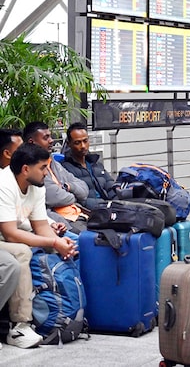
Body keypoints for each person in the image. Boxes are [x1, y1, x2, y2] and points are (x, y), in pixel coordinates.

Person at [0, 143, 77, 349]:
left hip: (8, 238)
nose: (47, 173)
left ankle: (71, 313)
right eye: (43, 168)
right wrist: (53, 241)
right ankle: (20, 326)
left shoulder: (36, 186)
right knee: (22, 252)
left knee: (71, 243)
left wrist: (60, 244)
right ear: (26, 169)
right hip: (5, 238)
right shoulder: (4, 184)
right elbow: (10, 233)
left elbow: (41, 225)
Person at [23, 122, 89, 231]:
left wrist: (68, 187)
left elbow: (84, 188)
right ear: (32, 142)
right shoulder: (32, 168)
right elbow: (54, 197)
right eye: (46, 137)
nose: (51, 140)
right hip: (62, 222)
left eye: (50, 136)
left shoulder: (53, 162)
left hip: (80, 214)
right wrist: (75, 196)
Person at [61, 121, 117, 209]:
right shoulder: (64, 169)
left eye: (85, 141)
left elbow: (111, 188)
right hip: (91, 212)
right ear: (69, 144)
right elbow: (77, 200)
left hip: (109, 208)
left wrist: (118, 203)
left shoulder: (96, 164)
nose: (83, 146)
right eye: (77, 143)